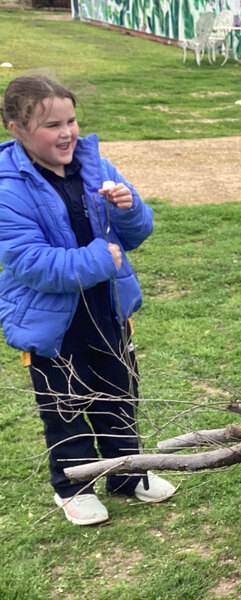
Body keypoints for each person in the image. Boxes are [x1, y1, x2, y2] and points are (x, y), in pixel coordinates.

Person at [0, 75, 175, 526]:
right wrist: (101, 257)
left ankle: (127, 473)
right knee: (66, 405)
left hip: (107, 312)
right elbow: (29, 261)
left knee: (120, 394)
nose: (66, 133)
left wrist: (129, 208)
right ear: (15, 128)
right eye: (51, 125)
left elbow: (137, 233)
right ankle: (73, 486)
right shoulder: (9, 186)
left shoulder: (96, 164)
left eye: (71, 120)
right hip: (52, 325)